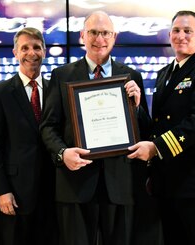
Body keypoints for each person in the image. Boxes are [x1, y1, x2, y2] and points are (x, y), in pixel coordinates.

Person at [40, 11, 148, 245]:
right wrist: (62, 153)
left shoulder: (131, 77)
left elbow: (145, 130)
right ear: (82, 36)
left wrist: (137, 108)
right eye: (93, 32)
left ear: (114, 37)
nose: (100, 39)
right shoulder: (61, 76)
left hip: (120, 184)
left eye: (105, 33)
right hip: (75, 183)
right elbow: (48, 127)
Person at [127, 10, 195, 245]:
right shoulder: (164, 74)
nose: (181, 36)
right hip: (168, 183)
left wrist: (155, 148)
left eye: (187, 31)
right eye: (176, 31)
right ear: (169, 35)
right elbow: (158, 125)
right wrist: (138, 108)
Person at [0, 27, 57, 245]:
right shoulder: (0, 93)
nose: (31, 53)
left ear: (44, 51)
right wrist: (2, 191)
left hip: (54, 192)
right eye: (24, 48)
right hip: (15, 194)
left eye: (36, 47)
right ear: (15, 53)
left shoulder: (57, 89)